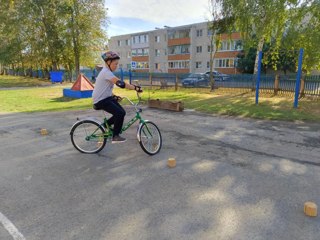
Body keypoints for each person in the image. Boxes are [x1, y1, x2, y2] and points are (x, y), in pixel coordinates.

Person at [92, 51, 142, 143]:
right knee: (119, 113)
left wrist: (114, 96)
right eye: (115, 64)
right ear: (108, 63)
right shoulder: (106, 72)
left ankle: (105, 126)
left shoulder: (107, 72)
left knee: (121, 112)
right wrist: (135, 88)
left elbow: (104, 89)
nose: (116, 66)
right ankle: (115, 136)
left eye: (117, 64)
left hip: (105, 98)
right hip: (100, 101)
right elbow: (121, 84)